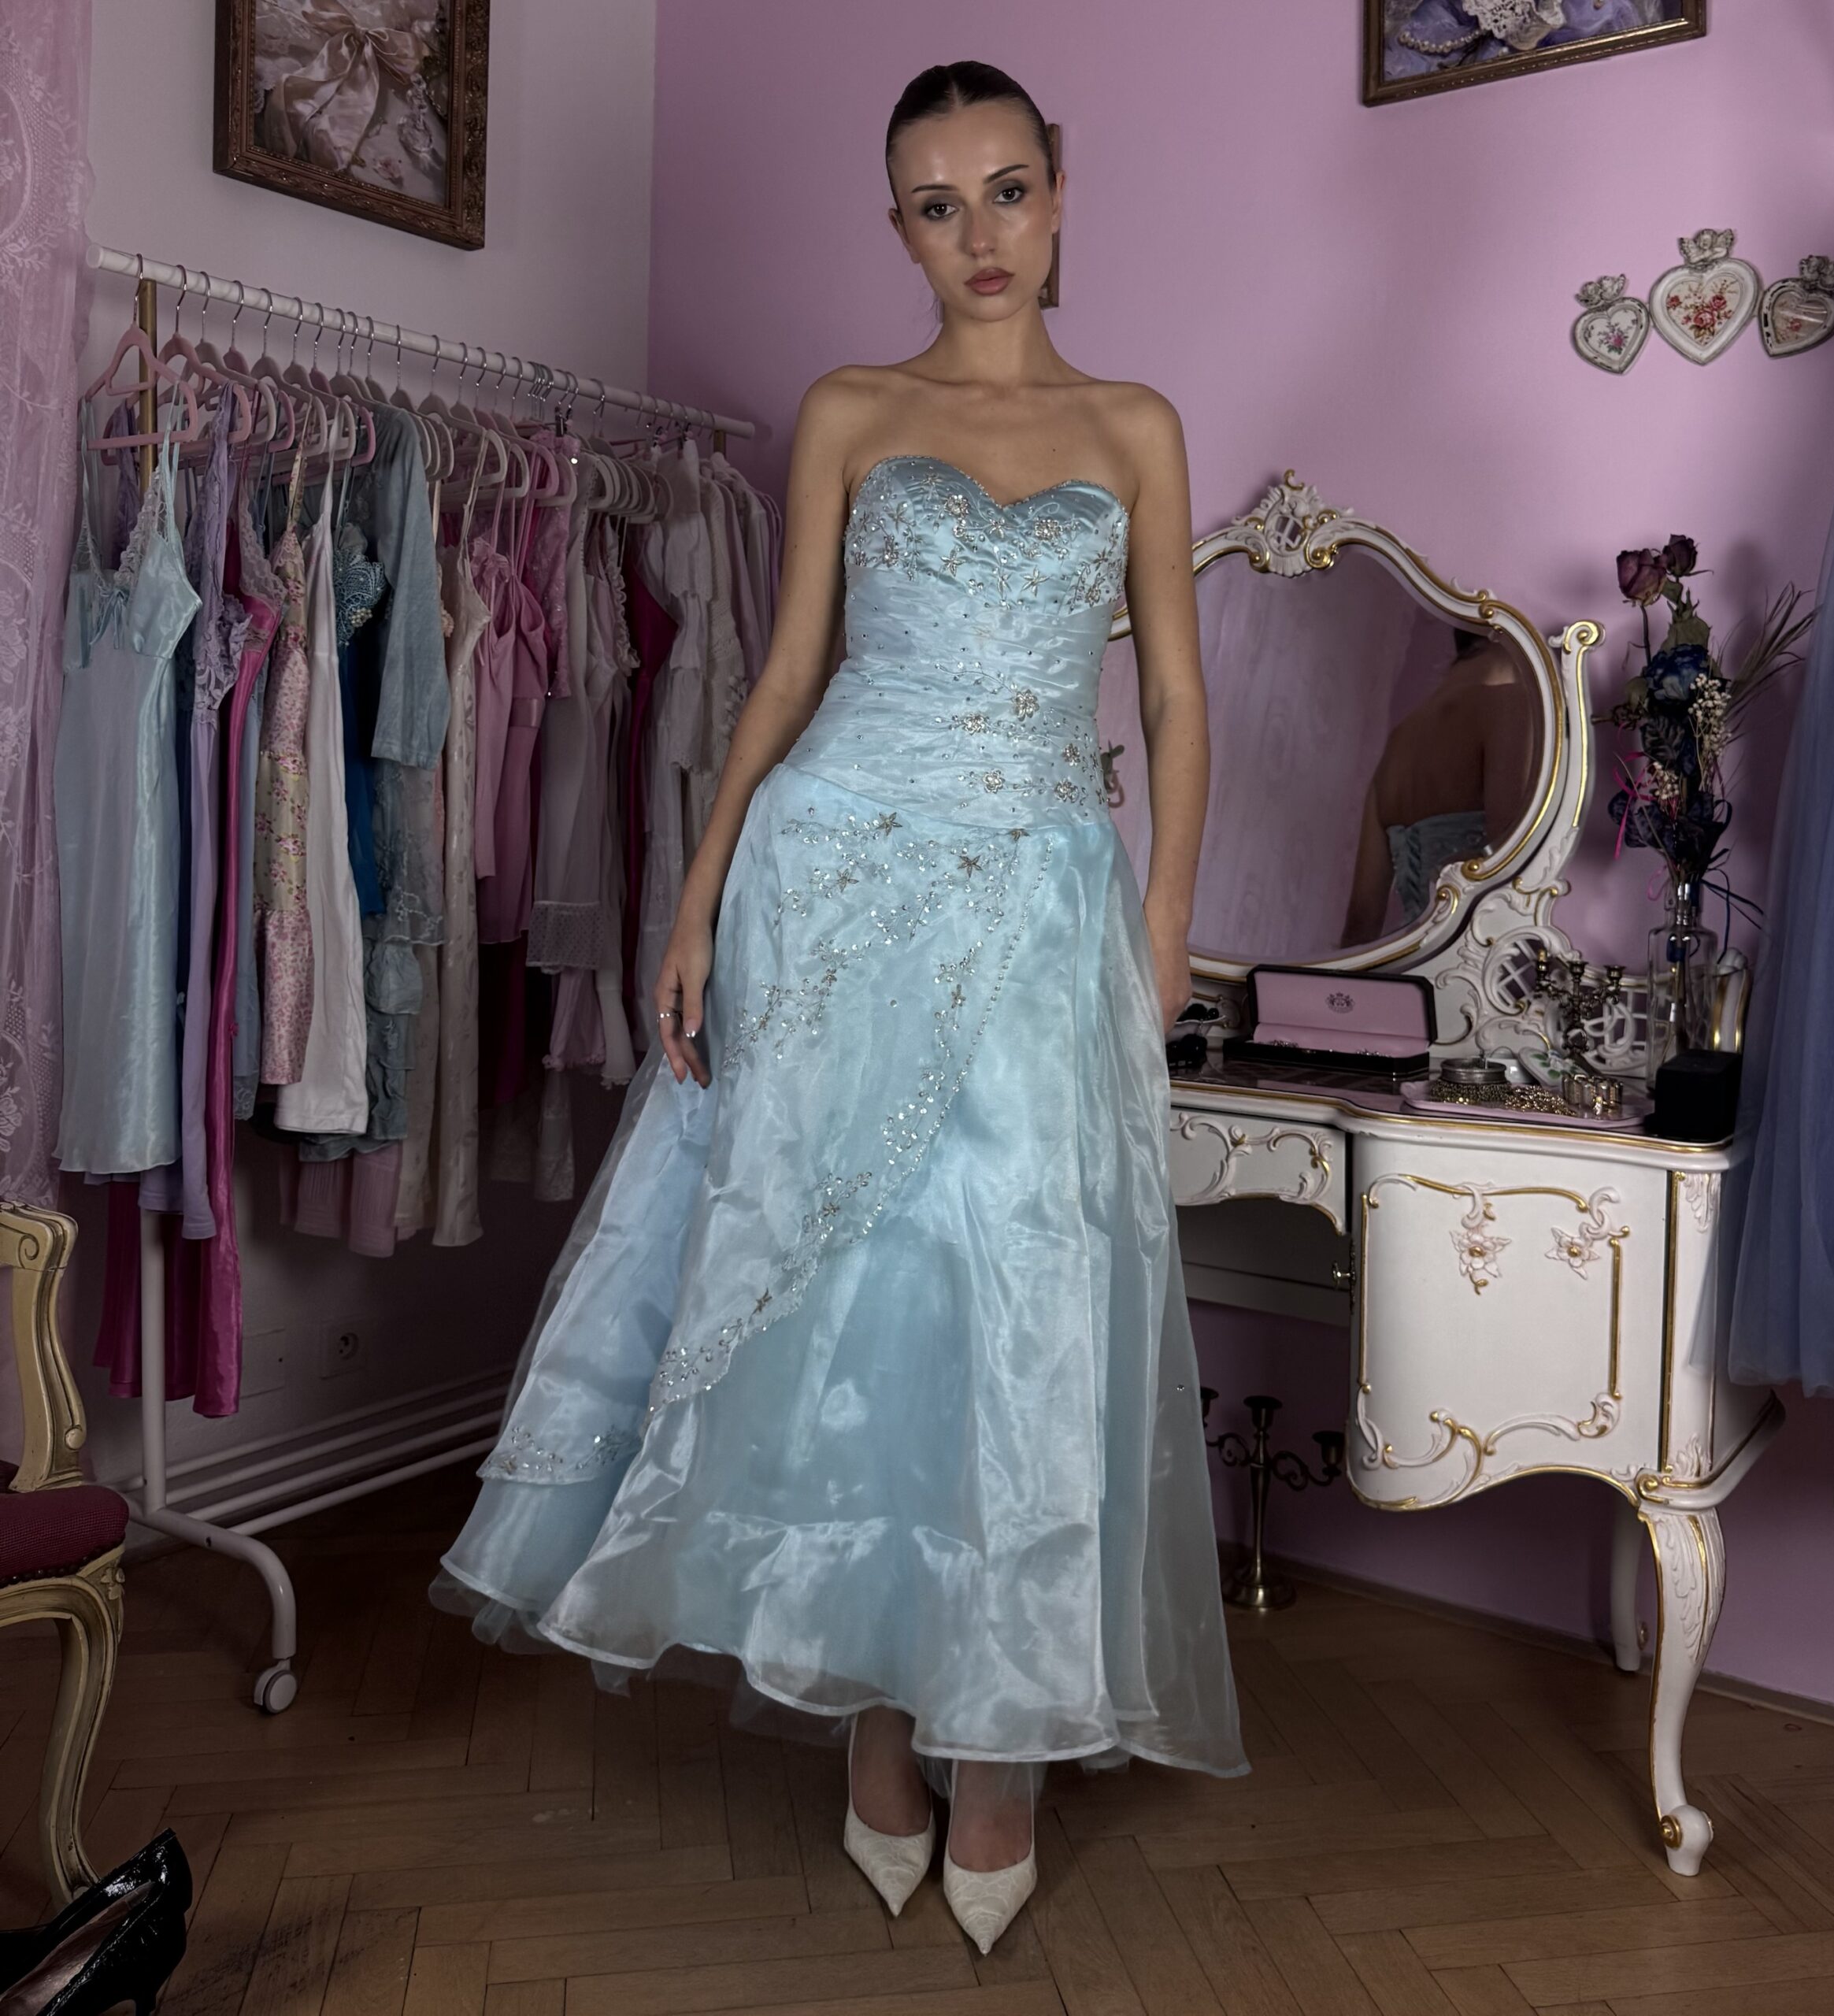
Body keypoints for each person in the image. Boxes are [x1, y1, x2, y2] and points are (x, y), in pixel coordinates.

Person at [432, 58, 1246, 1955]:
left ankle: (1001, 1744)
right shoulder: (851, 409)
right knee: (847, 1302)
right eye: (936, 205)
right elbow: (788, 669)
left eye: (1006, 190)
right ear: (898, 227)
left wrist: (1164, 913)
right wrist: (697, 893)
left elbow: (1176, 696)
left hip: (1038, 900)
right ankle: (875, 1715)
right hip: (830, 882)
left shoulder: (1134, 425)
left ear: (1059, 192)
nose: (978, 234)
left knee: (1017, 1293)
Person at [1340, 628, 1538, 947]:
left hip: (1409, 967)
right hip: (1478, 958)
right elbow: (1509, 862)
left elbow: (1361, 922)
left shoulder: (1399, 740)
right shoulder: (1509, 706)